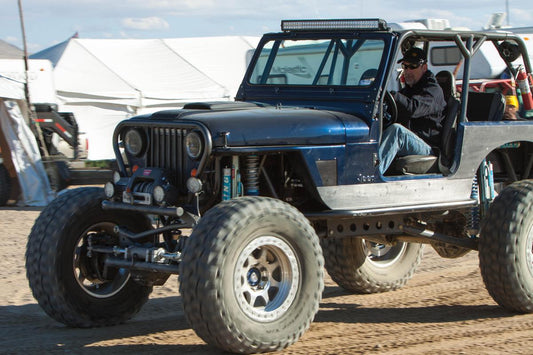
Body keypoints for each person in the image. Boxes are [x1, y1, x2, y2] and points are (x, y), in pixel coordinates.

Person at [379, 47, 446, 175]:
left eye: (413, 66)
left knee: (397, 132)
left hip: (427, 146)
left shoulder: (433, 90)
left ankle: (373, 176)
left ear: (424, 67)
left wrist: (393, 96)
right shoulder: (410, 89)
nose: (407, 71)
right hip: (412, 141)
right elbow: (399, 105)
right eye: (405, 66)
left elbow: (413, 109)